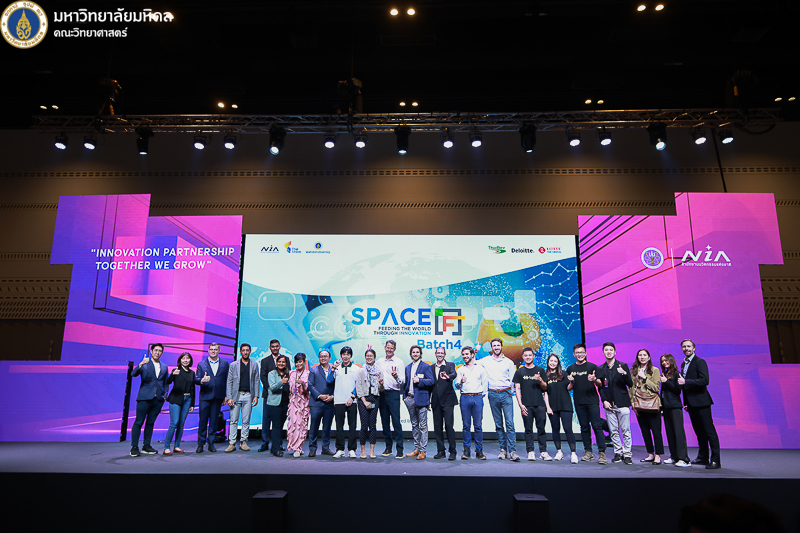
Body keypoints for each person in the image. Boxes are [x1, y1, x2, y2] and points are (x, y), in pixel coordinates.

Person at [679, 339, 721, 469]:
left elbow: (704, 380)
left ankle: (716, 460)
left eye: (689, 346)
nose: (686, 348)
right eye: (684, 347)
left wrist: (686, 381)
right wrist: (686, 402)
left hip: (702, 402)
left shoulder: (700, 362)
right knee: (699, 432)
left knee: (709, 432)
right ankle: (703, 457)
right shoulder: (683, 364)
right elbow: (684, 387)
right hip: (691, 404)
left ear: (694, 348)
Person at [566, 343, 607, 464]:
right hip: (579, 402)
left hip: (592, 401)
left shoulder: (592, 367)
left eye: (582, 352)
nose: (580, 354)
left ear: (585, 353)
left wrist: (594, 379)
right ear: (574, 354)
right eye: (577, 353)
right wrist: (571, 382)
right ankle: (588, 452)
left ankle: (602, 453)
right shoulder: (570, 368)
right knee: (584, 427)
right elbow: (569, 388)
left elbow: (600, 384)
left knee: (597, 426)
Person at [479, 338, 519, 461]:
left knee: (510, 423)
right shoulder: (485, 361)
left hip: (506, 394)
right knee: (498, 424)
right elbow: (472, 362)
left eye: (498, 345)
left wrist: (511, 393)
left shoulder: (509, 362)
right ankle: (503, 449)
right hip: (493, 394)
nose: (496, 347)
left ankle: (512, 451)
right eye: (494, 345)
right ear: (491, 348)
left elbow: (513, 379)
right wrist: (475, 351)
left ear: (501, 346)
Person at [595, 342, 633, 464]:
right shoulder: (601, 368)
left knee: (626, 430)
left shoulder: (623, 365)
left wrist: (624, 373)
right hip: (609, 404)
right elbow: (600, 387)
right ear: (603, 352)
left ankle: (627, 454)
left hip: (622, 403)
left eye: (611, 350)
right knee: (613, 431)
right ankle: (618, 452)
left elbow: (630, 384)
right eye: (606, 350)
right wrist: (604, 401)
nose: (609, 352)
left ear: (615, 352)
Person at [130, 343, 169, 456]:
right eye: (156, 350)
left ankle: (146, 446)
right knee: (139, 422)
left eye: (160, 351)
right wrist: (141, 364)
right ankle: (134, 447)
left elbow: (165, 382)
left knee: (150, 423)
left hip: (158, 399)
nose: (157, 352)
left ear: (162, 353)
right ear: (151, 351)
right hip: (144, 398)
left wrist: (165, 395)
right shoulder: (145, 363)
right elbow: (133, 374)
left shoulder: (164, 366)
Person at [513, 347, 549, 461]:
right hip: (526, 405)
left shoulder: (540, 370)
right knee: (528, 429)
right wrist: (521, 405)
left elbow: (545, 388)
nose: (528, 357)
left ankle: (543, 452)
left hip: (540, 405)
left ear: (533, 356)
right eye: (526, 355)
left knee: (541, 429)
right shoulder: (519, 371)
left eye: (530, 355)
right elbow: (517, 389)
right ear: (523, 357)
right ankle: (530, 451)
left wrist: (540, 380)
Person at [629, 348, 664, 464]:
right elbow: (631, 388)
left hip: (652, 404)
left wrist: (644, 378)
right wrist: (632, 403)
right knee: (645, 431)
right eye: (640, 355)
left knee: (656, 431)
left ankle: (658, 455)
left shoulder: (654, 370)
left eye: (644, 355)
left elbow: (656, 388)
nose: (642, 357)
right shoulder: (633, 370)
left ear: (648, 357)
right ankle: (650, 454)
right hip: (639, 404)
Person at [195, 342, 230, 453]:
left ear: (219, 351)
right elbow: (196, 379)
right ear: (208, 350)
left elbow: (227, 380)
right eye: (211, 349)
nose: (213, 351)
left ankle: (211, 443)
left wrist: (226, 395)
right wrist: (201, 380)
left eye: (215, 349)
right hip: (205, 396)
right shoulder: (201, 364)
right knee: (203, 421)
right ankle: (201, 444)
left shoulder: (225, 363)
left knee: (214, 421)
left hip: (218, 396)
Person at [225, 343, 260, 453]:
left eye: (247, 350)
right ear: (240, 352)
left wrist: (256, 396)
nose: (245, 352)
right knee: (233, 420)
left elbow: (256, 381)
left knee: (246, 420)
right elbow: (229, 381)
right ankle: (232, 443)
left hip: (248, 395)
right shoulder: (233, 365)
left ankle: (243, 442)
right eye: (243, 350)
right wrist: (229, 397)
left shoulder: (254, 364)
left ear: (250, 351)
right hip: (236, 395)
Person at [455, 345, 488, 460]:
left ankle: (479, 450)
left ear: (472, 355)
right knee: (466, 425)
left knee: (478, 425)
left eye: (467, 354)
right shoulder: (460, 370)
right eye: (463, 354)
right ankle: (466, 450)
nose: (465, 356)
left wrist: (480, 396)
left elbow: (484, 384)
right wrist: (461, 382)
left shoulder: (480, 369)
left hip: (477, 397)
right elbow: (457, 385)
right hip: (465, 397)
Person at [545, 354, 578, 464]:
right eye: (551, 361)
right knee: (555, 429)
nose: (553, 363)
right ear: (548, 362)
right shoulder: (545, 376)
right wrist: (548, 407)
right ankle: (559, 452)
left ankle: (573, 453)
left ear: (558, 363)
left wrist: (572, 381)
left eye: (555, 361)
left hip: (565, 405)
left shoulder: (564, 374)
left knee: (568, 429)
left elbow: (569, 388)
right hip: (552, 407)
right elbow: (545, 393)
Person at [403, 345, 435, 460]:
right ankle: (417, 448)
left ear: (420, 354)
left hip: (422, 399)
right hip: (410, 398)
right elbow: (406, 383)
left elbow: (431, 381)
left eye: (417, 352)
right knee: (414, 425)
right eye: (413, 352)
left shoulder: (426, 366)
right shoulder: (408, 367)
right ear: (411, 354)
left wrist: (419, 380)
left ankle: (423, 450)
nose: (415, 354)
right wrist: (404, 397)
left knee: (423, 426)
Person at [259, 339, 291, 452]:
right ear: (270, 348)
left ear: (279, 347)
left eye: (277, 346)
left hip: (283, 396)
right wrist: (271, 389)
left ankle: (277, 444)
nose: (275, 348)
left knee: (279, 422)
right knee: (267, 419)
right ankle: (265, 442)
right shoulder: (265, 361)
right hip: (269, 394)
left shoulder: (286, 359)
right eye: (273, 346)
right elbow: (263, 377)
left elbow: (288, 375)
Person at [660, 353, 691, 467]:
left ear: (671, 360)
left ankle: (684, 459)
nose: (664, 363)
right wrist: (661, 407)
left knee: (678, 432)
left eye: (666, 360)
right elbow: (663, 393)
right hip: (666, 407)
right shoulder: (665, 374)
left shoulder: (677, 374)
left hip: (675, 406)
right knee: (670, 432)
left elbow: (677, 390)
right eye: (662, 361)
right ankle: (674, 456)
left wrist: (666, 382)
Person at [329, 346, 359, 458]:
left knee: (352, 426)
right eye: (344, 354)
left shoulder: (356, 368)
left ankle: (352, 449)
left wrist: (352, 397)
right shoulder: (336, 368)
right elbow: (329, 380)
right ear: (341, 356)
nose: (345, 356)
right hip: (339, 400)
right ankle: (340, 449)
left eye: (348, 354)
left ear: (351, 356)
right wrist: (333, 368)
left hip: (352, 400)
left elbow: (358, 384)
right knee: (339, 426)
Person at [377, 339, 405, 458]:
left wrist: (396, 376)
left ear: (395, 349)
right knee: (385, 422)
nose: (389, 350)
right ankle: (388, 447)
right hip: (382, 394)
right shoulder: (379, 361)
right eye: (387, 347)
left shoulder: (399, 362)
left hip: (394, 394)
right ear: (385, 347)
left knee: (396, 422)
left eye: (391, 348)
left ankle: (400, 448)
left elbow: (402, 381)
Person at [164, 351, 195, 455]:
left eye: (187, 358)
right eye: (183, 358)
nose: (185, 360)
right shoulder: (176, 370)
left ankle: (177, 446)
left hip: (187, 399)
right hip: (176, 399)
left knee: (181, 424)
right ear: (180, 360)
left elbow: (192, 389)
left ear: (190, 360)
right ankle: (166, 447)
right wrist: (172, 375)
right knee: (174, 423)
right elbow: (167, 382)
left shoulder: (192, 373)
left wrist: (192, 403)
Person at [430, 346, 458, 460]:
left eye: (442, 353)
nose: (440, 355)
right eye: (438, 353)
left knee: (449, 426)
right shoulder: (431, 367)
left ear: (445, 355)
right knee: (437, 427)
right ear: (435, 354)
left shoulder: (450, 365)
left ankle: (453, 451)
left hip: (448, 400)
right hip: (435, 401)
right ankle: (440, 451)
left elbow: (453, 374)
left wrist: (448, 377)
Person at [308, 349, 335, 457]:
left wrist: (332, 396)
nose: (323, 358)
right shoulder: (314, 370)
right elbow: (310, 385)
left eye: (325, 356)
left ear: (329, 358)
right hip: (316, 403)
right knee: (314, 427)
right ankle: (312, 448)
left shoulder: (334, 370)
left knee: (327, 427)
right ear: (319, 358)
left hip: (329, 403)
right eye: (321, 356)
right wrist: (319, 396)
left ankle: (325, 448)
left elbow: (338, 385)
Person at [356, 348, 381, 458]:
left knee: (373, 425)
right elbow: (358, 387)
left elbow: (381, 388)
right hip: (363, 399)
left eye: (371, 356)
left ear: (375, 357)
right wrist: (364, 401)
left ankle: (372, 451)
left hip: (374, 398)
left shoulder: (378, 370)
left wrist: (381, 383)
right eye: (367, 356)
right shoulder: (361, 370)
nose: (369, 357)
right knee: (364, 425)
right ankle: (362, 450)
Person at [266, 355, 291, 457]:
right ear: (276, 363)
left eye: (283, 362)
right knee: (276, 425)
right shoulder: (271, 373)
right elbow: (272, 388)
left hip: (285, 403)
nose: (281, 363)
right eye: (279, 361)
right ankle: (276, 449)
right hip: (274, 403)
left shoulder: (289, 374)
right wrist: (282, 382)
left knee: (280, 425)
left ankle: (276, 446)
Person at [287, 353, 310, 457]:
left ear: (304, 362)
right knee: (293, 424)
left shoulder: (308, 373)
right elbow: (290, 388)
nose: (298, 364)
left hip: (303, 402)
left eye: (300, 362)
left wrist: (303, 383)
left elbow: (307, 390)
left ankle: (299, 447)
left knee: (302, 425)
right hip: (293, 401)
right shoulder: (292, 373)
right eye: (296, 362)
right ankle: (294, 446)